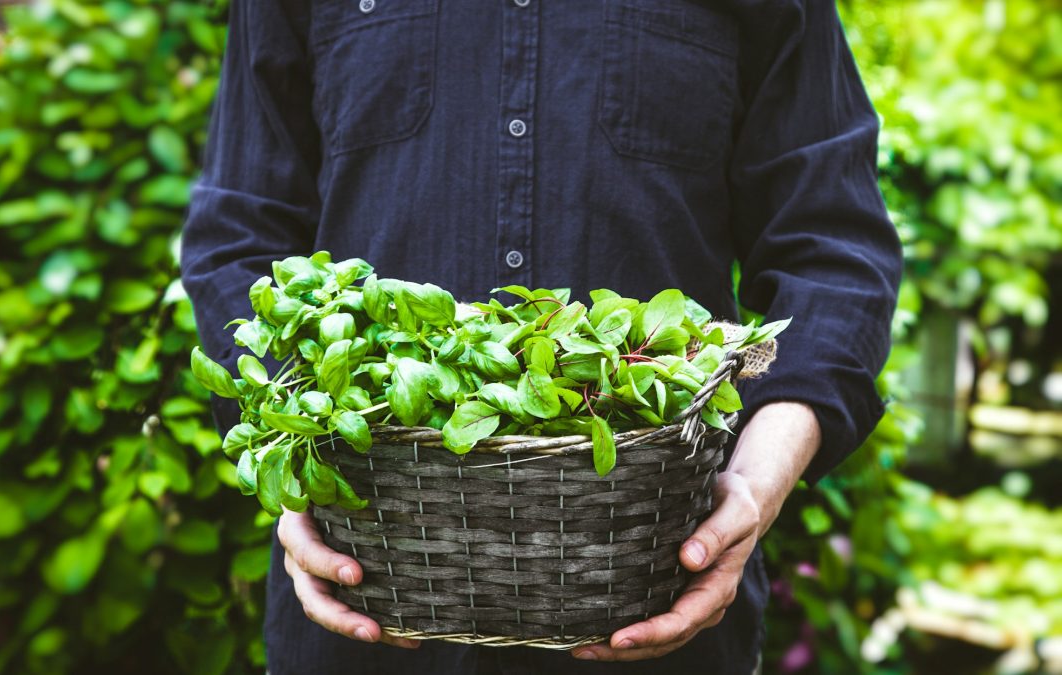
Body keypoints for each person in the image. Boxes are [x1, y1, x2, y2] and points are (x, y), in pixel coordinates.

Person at [180, 0, 902, 672]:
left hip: (662, 596)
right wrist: (294, 464)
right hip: (361, 612)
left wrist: (754, 483)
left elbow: (831, 250)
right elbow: (238, 234)